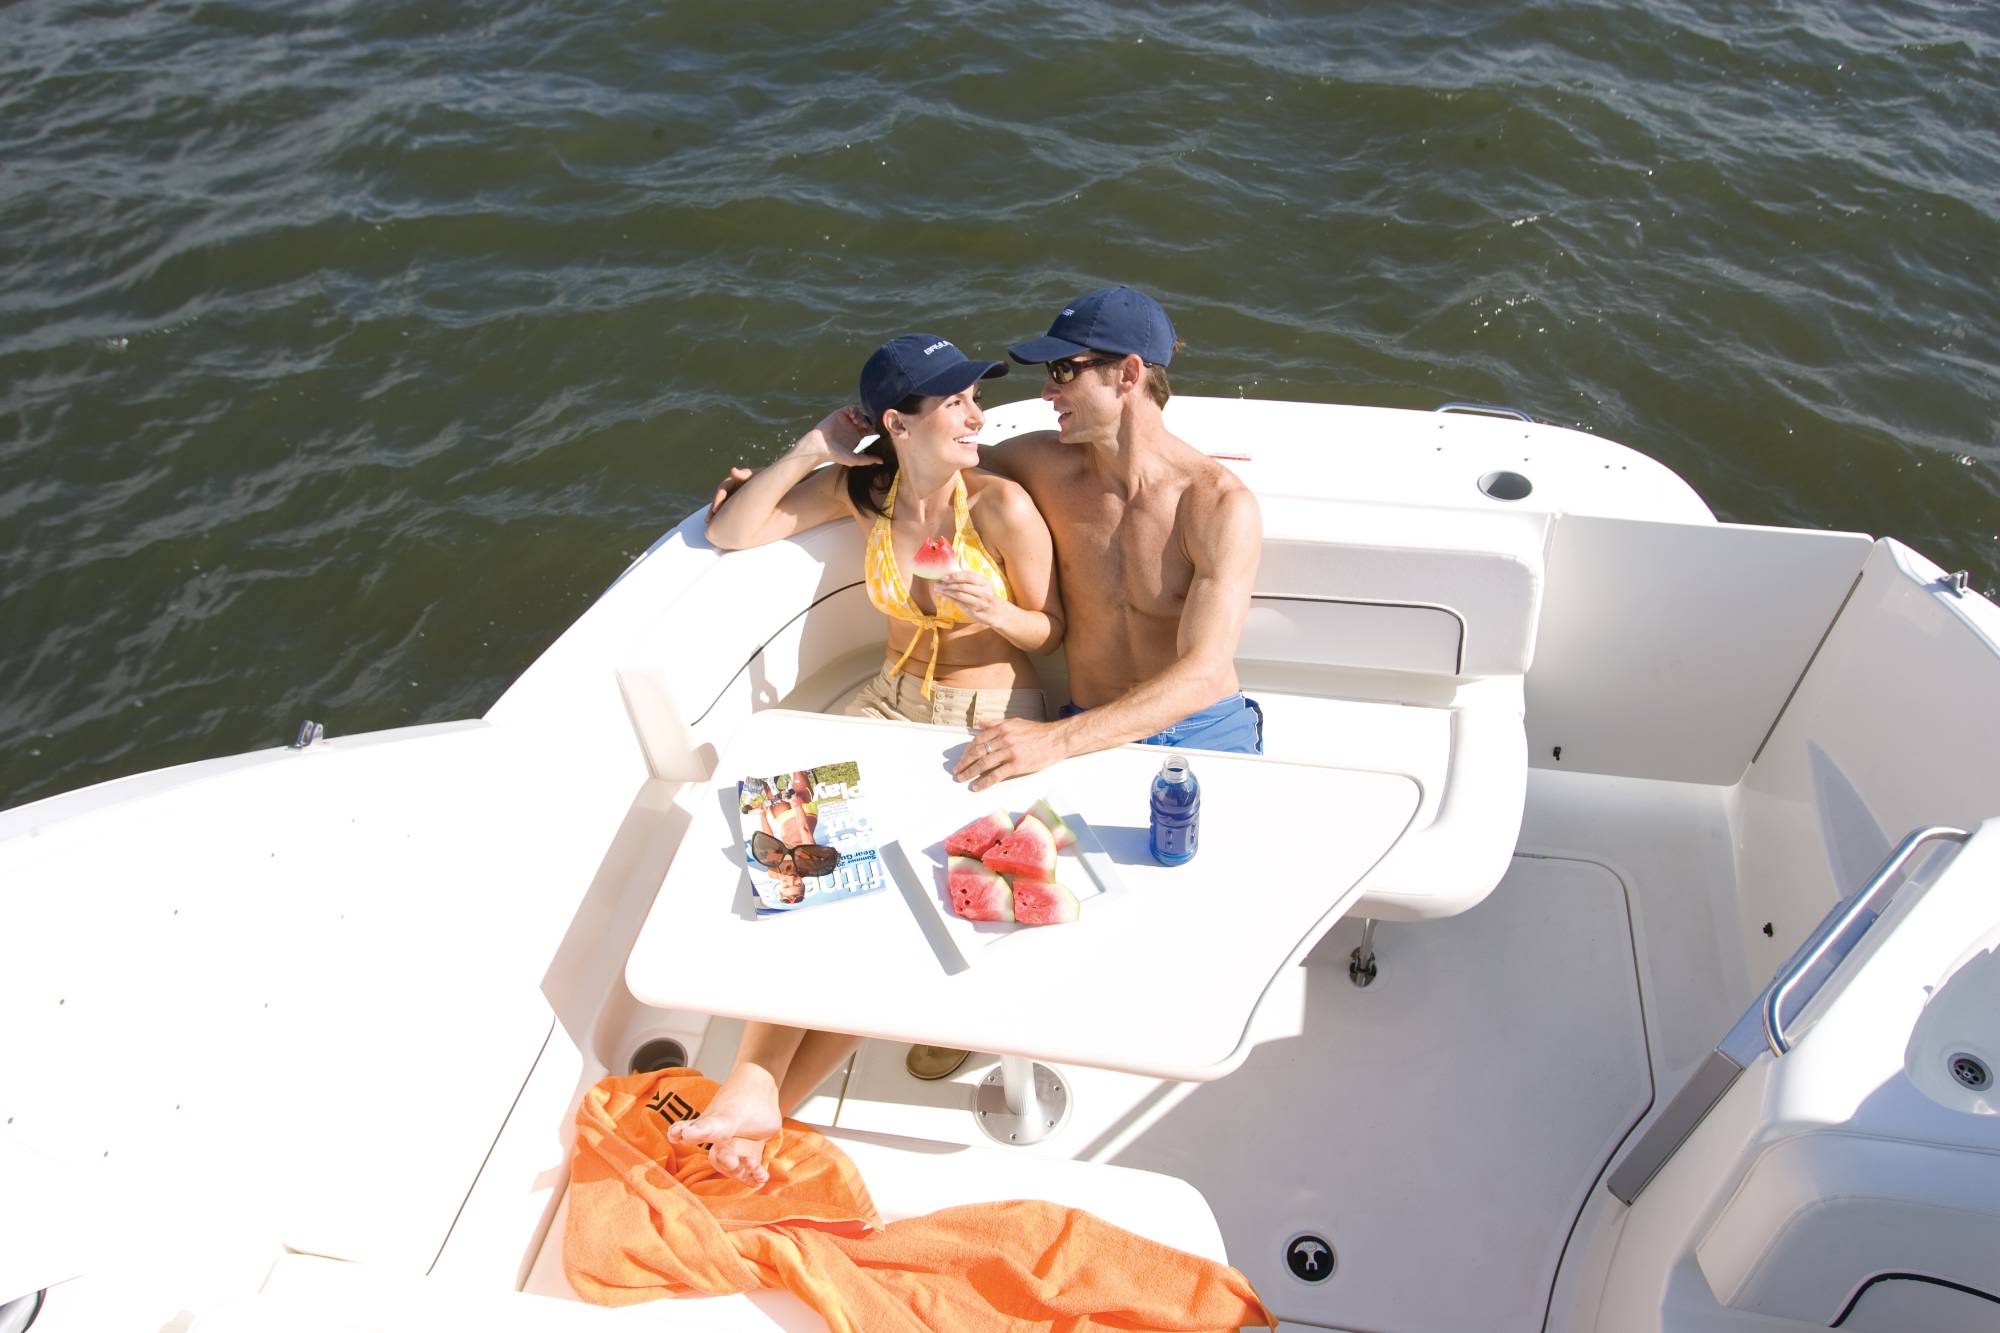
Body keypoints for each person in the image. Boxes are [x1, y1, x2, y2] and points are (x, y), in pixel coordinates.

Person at [678, 333, 1065, 1185]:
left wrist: (995, 609)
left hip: (984, 715)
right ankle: (755, 1090)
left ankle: (761, 1106)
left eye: (975, 398)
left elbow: (1049, 632)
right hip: (888, 700)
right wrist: (813, 447)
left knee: (883, 906)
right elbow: (731, 531)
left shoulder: (998, 506)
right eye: (955, 402)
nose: (977, 415)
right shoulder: (868, 493)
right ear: (898, 423)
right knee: (793, 847)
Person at [950, 285, 1263, 793]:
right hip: (1087, 727)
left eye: (1063, 371)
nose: (1047, 391)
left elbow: (1204, 672)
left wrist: (1054, 740)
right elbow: (930, 457)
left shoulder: (1216, 504)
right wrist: (820, 451)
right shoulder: (1041, 466)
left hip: (1204, 728)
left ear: (1128, 374)